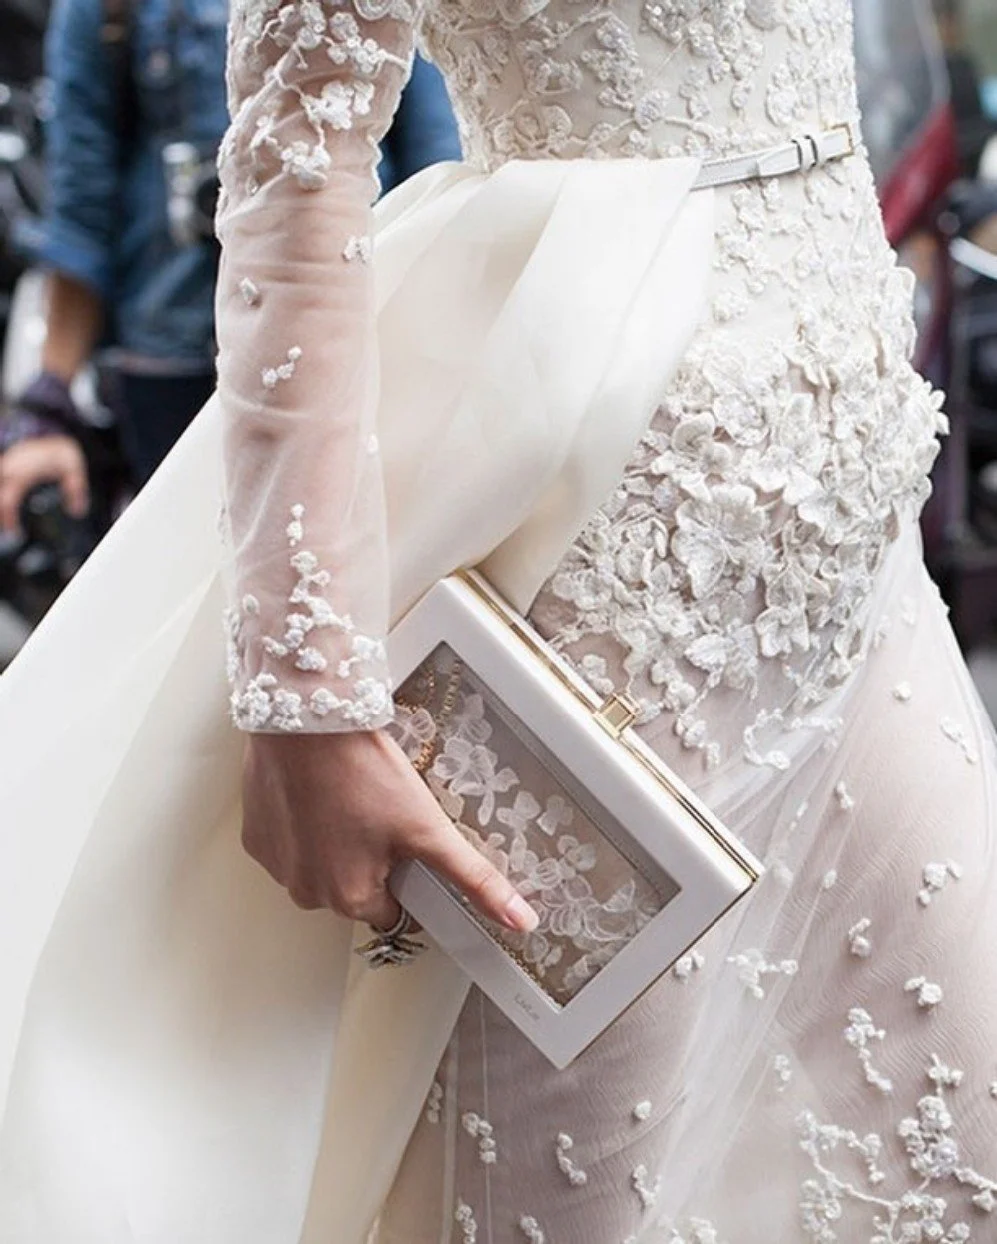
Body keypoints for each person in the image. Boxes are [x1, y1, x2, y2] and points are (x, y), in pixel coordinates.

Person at [0, 3, 995, 1244]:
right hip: (617, 545)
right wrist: (306, 689)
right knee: (584, 1184)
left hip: (860, 539)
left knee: (954, 1132)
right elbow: (294, 189)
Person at [0, 0, 459, 536]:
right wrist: (49, 405)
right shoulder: (103, 9)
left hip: (349, 339)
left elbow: (436, 165)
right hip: (169, 361)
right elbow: (82, 205)